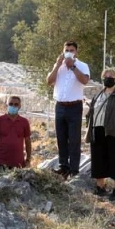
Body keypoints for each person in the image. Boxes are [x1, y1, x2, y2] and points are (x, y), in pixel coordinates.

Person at [85, 69, 115, 201]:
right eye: (105, 76)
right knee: (98, 159)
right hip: (98, 130)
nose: (108, 77)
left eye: (111, 75)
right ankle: (100, 187)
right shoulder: (97, 96)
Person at [46, 40, 91, 179]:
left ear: (76, 52)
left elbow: (84, 80)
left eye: (72, 50)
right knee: (61, 138)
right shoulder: (58, 65)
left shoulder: (82, 65)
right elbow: (49, 81)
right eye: (67, 50)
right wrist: (58, 65)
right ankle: (63, 166)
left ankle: (74, 169)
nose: (69, 53)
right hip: (60, 106)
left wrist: (72, 67)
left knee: (74, 139)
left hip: (74, 106)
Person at [0, 96, 32, 171]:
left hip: (19, 164)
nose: (13, 106)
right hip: (0, 163)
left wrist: (28, 160)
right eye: (10, 104)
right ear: (6, 105)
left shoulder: (24, 122)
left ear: (20, 106)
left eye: (16, 104)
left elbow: (28, 141)